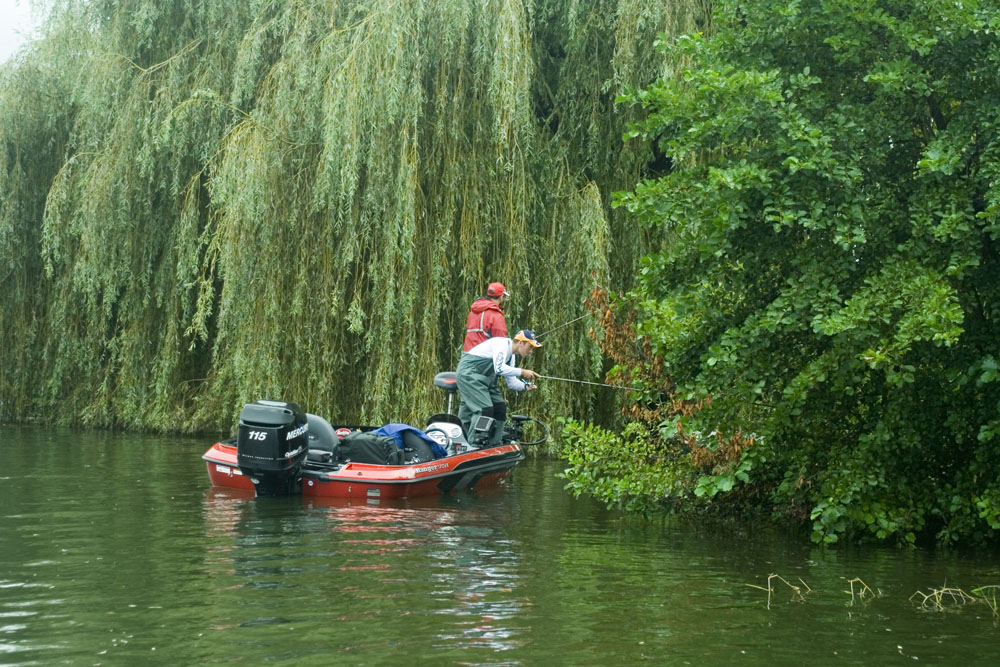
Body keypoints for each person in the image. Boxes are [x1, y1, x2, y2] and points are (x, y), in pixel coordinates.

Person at [456, 330, 541, 447]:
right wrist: (521, 371)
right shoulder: (501, 345)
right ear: (521, 342)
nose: (531, 351)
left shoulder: (511, 356)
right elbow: (499, 369)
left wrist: (525, 386)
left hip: (486, 380)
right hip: (469, 375)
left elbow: (511, 382)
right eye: (530, 347)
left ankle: (494, 443)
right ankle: (473, 445)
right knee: (484, 409)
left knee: (500, 408)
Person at [463, 282, 509, 352]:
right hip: (483, 358)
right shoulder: (495, 315)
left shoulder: (473, 311)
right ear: (501, 296)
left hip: (467, 355)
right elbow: (501, 341)